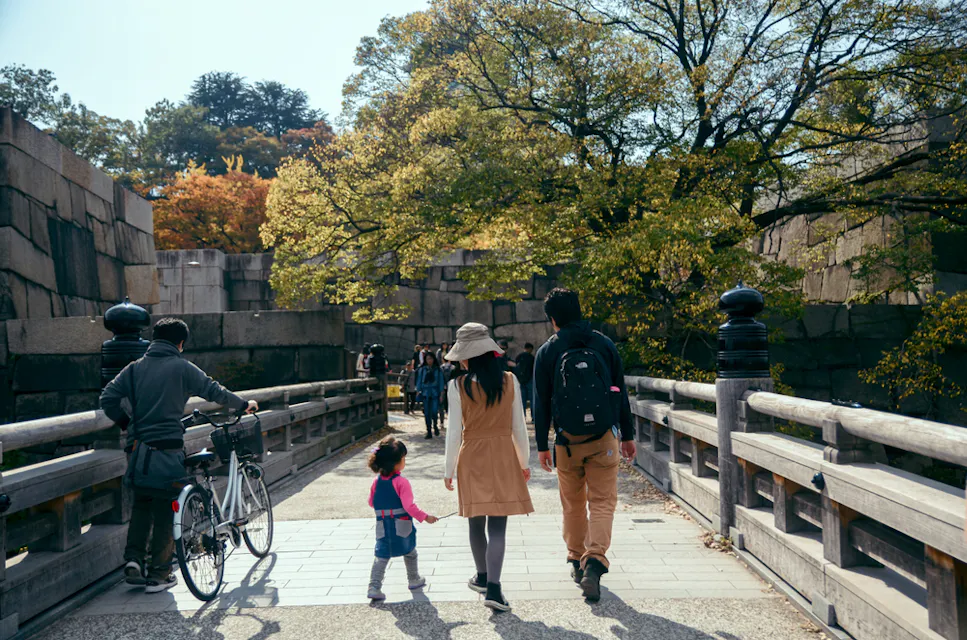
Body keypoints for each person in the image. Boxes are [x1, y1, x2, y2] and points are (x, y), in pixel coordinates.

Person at [100, 318, 258, 594]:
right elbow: (214, 391)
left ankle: (134, 560)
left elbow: (107, 398)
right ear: (180, 343)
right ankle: (159, 574)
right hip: (167, 448)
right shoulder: (183, 368)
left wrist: (127, 424)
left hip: (137, 449)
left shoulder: (134, 369)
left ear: (154, 338)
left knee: (142, 502)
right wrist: (244, 404)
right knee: (164, 508)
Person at [533, 288, 636, 602]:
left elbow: (540, 403)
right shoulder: (603, 344)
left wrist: (541, 445)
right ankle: (594, 560)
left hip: (567, 442)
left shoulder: (548, 351)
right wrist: (628, 436)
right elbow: (620, 390)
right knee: (603, 502)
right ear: (579, 310)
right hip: (604, 438)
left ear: (553, 319)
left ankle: (576, 558)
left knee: (573, 504)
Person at [444, 323, 533, 613]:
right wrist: (524, 462)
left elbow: (454, 432)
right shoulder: (509, 381)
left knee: (475, 521)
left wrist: (449, 469)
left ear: (467, 356)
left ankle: (482, 576)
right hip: (503, 455)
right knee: (498, 526)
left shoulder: (457, 386)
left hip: (471, 456)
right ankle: (493, 587)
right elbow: (519, 426)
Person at [367, 436, 440, 600]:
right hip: (401, 525)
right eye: (403, 458)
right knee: (410, 552)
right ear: (396, 462)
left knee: (381, 556)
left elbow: (371, 502)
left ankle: (374, 586)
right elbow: (409, 506)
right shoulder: (401, 482)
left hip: (383, 525)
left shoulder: (376, 482)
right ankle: (413, 579)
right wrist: (425, 517)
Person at [417, 352, 446, 438]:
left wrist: (441, 394)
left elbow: (441, 382)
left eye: (431, 358)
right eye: (427, 359)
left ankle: (435, 425)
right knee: (426, 413)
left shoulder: (438, 369)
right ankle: (428, 431)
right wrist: (418, 391)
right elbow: (419, 381)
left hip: (435, 393)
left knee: (434, 411)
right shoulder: (422, 370)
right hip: (425, 393)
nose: (429, 360)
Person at [514, 343, 536, 422]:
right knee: (532, 400)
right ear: (530, 348)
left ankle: (522, 417)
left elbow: (516, 367)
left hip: (521, 380)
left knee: (521, 400)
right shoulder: (532, 357)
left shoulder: (519, 356)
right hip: (530, 380)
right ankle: (533, 417)